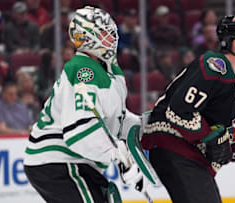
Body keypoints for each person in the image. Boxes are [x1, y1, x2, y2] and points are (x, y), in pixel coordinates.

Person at [141, 15, 235, 203]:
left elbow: (220, 134)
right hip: (173, 148)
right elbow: (180, 110)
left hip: (191, 155)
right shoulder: (214, 65)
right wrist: (210, 140)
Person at [23, 6, 144, 203]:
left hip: (74, 161)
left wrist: (145, 125)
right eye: (105, 34)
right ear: (87, 39)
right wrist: (116, 154)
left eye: (112, 32)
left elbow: (116, 120)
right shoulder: (83, 69)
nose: (112, 38)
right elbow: (79, 127)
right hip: (58, 161)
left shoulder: (110, 71)